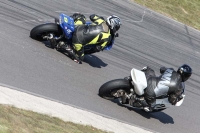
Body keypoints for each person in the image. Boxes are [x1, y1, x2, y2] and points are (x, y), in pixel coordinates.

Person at [125, 64, 192, 112]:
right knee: (150, 107)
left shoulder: (171, 70)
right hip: (151, 93)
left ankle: (129, 78)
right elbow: (171, 99)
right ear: (186, 76)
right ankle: (137, 100)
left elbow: (162, 69)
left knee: (148, 69)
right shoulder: (178, 88)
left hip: (149, 79)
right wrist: (175, 101)